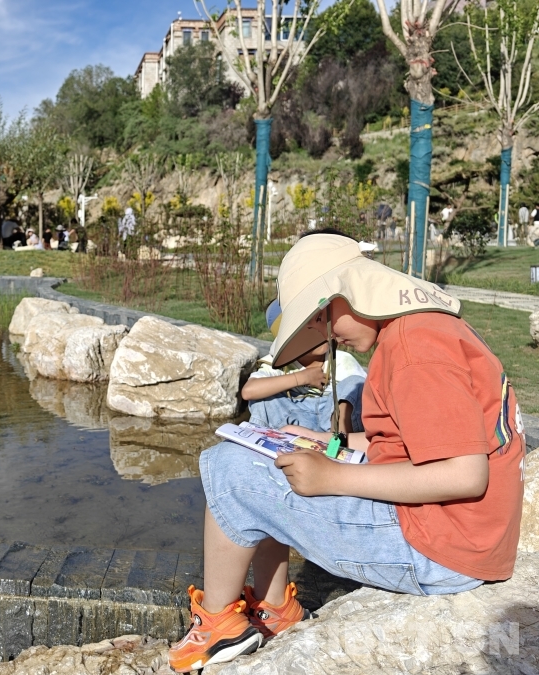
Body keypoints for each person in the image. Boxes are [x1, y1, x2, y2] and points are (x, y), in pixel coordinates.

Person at [168, 233, 525, 672]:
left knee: (230, 468)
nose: (327, 336)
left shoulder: (414, 350)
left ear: (350, 294)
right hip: (461, 537)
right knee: (270, 457)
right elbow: (413, 444)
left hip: (439, 550)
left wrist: (331, 477)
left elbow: (463, 474)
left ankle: (218, 623)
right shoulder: (425, 329)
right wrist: (321, 442)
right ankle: (276, 608)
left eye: (322, 319)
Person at [242, 300, 366, 435]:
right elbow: (248, 391)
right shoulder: (277, 364)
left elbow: (361, 395)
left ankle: (338, 440)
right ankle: (258, 437)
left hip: (331, 421)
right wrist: (302, 378)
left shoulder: (343, 361)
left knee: (355, 384)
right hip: (291, 421)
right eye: (308, 333)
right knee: (262, 398)